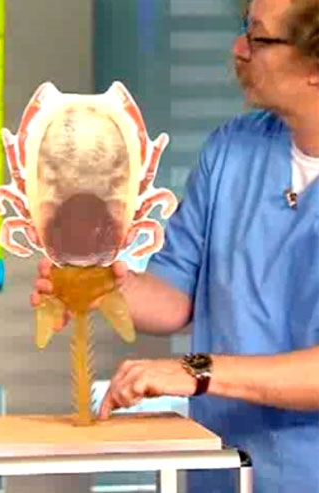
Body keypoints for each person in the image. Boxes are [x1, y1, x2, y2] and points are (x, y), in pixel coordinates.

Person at [32, 0, 319, 491]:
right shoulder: (232, 149)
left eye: (258, 38)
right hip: (223, 467)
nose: (238, 49)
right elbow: (173, 297)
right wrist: (100, 284)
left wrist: (197, 371)